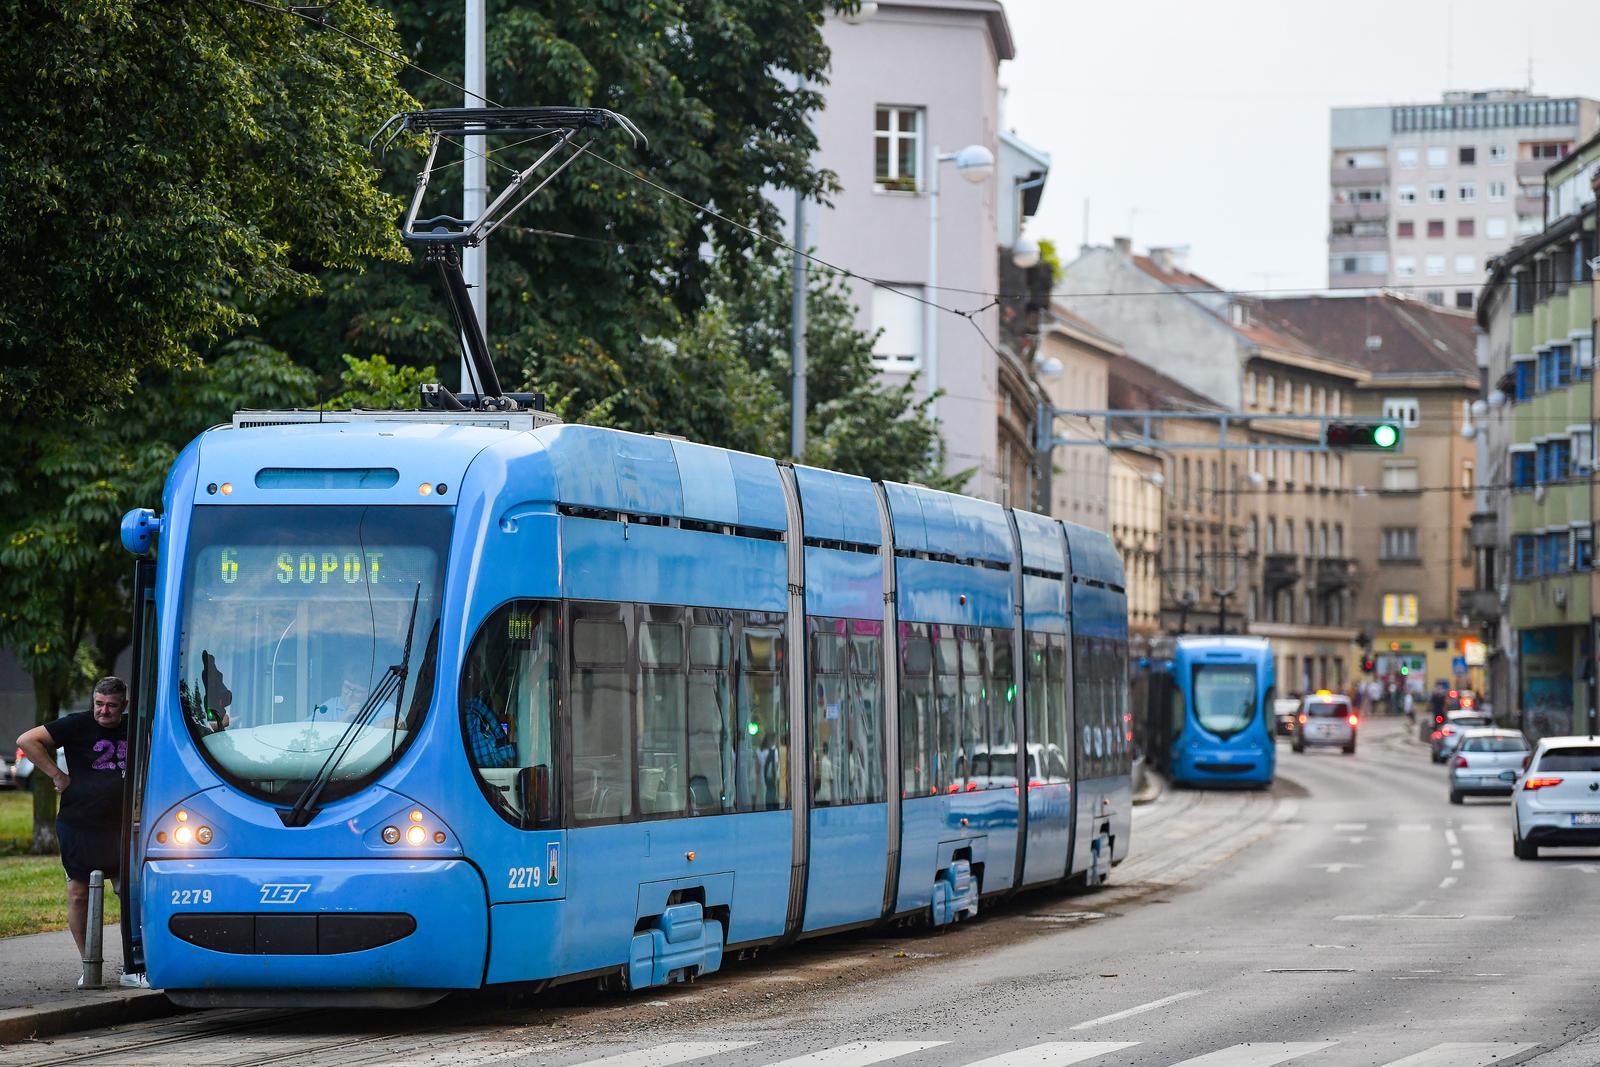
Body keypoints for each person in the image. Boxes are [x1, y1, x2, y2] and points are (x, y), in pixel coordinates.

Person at [16, 678, 129, 977]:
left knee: (133, 895)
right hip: (79, 823)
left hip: (123, 826)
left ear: (124, 706)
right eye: (99, 704)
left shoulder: (136, 725)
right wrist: (57, 774)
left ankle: (138, 964)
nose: (104, 711)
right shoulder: (77, 724)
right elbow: (27, 740)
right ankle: (89, 966)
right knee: (79, 893)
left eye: (111, 706)